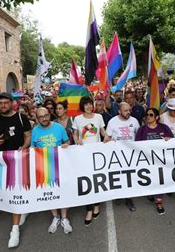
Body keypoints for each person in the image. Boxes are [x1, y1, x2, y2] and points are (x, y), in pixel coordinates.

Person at [0, 92, 31, 248]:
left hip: (18, 158)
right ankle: (15, 209)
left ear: (12, 103)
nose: (2, 105)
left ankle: (15, 228)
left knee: (19, 186)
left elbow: (28, 136)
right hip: (0, 161)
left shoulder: (21, 118)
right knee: (6, 187)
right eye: (0, 103)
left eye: (5, 102)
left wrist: (23, 148)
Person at [30, 107, 72, 234]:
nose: (44, 118)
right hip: (43, 167)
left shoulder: (59, 128)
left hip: (60, 165)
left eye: (46, 115)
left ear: (50, 114)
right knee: (49, 192)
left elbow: (67, 141)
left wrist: (66, 145)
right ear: (37, 119)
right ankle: (55, 217)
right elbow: (33, 145)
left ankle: (64, 218)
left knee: (62, 191)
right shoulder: (35, 130)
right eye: (41, 117)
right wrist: (31, 148)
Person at [72, 96, 106, 226]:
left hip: (97, 155)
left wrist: (108, 137)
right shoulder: (77, 119)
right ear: (82, 106)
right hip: (83, 155)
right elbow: (75, 134)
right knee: (86, 183)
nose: (88, 106)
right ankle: (89, 210)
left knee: (97, 181)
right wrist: (76, 140)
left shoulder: (98, 117)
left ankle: (96, 205)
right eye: (86, 104)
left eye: (90, 104)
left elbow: (102, 132)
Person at [135, 108, 173, 214]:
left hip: (161, 160)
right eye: (147, 114)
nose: (148, 116)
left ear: (156, 117)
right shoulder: (141, 130)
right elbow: (137, 145)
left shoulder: (164, 128)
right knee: (150, 179)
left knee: (160, 180)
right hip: (147, 160)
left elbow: (173, 141)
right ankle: (150, 192)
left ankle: (159, 201)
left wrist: (168, 139)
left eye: (151, 115)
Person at [104, 102, 140, 211]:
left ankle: (128, 198)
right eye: (125, 110)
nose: (128, 112)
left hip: (131, 154)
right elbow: (106, 138)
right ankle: (119, 195)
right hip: (117, 155)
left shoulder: (134, 121)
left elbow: (139, 136)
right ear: (119, 111)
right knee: (119, 176)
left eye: (129, 110)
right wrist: (109, 140)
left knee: (129, 176)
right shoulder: (112, 122)